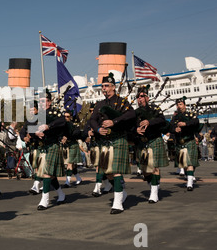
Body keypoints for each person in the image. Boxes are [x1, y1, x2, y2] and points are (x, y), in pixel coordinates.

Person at [89, 73, 136, 214]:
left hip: (118, 139)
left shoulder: (122, 102)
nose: (104, 88)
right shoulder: (100, 104)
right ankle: (122, 191)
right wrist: (97, 129)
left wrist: (114, 122)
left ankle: (117, 203)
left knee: (115, 171)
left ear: (113, 87)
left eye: (106, 86)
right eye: (102, 86)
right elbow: (92, 120)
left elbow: (131, 115)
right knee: (107, 173)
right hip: (105, 141)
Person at [133, 85, 169, 203]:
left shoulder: (155, 109)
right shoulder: (135, 113)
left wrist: (150, 121)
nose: (140, 99)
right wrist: (136, 130)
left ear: (147, 98)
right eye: (138, 97)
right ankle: (154, 185)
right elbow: (130, 126)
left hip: (154, 140)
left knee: (154, 168)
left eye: (142, 96)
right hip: (142, 143)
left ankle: (154, 194)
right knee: (145, 171)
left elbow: (162, 120)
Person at [33, 90, 66, 210]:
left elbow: (62, 121)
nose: (43, 104)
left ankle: (44, 199)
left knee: (46, 173)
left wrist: (48, 126)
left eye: (45, 101)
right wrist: (35, 133)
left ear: (50, 102)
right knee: (50, 175)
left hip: (52, 145)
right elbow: (29, 129)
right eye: (41, 101)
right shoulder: (37, 116)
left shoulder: (55, 112)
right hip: (42, 146)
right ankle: (61, 194)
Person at [170, 97, 200, 191]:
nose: (179, 106)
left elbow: (196, 122)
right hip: (180, 142)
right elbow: (170, 127)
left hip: (189, 140)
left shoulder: (190, 114)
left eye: (181, 104)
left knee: (190, 163)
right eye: (177, 105)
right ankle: (189, 178)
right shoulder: (175, 117)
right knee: (185, 164)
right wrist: (175, 129)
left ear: (185, 105)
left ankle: (189, 183)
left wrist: (185, 124)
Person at [61, 111, 83, 187]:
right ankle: (78, 178)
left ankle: (67, 181)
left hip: (73, 145)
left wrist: (67, 137)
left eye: (67, 116)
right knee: (72, 165)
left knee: (69, 163)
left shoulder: (74, 125)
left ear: (70, 117)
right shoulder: (61, 125)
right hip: (66, 146)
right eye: (65, 116)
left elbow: (76, 133)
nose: (66, 118)